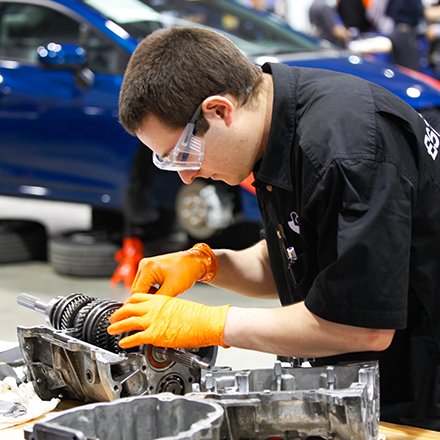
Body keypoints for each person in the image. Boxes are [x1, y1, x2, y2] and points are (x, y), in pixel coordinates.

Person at [108, 27, 440, 430]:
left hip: (427, 385)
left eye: (183, 154)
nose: (187, 175)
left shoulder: (346, 151)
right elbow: (295, 255)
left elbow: (361, 327)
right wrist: (209, 264)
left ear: (219, 110)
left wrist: (213, 324)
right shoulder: (279, 122)